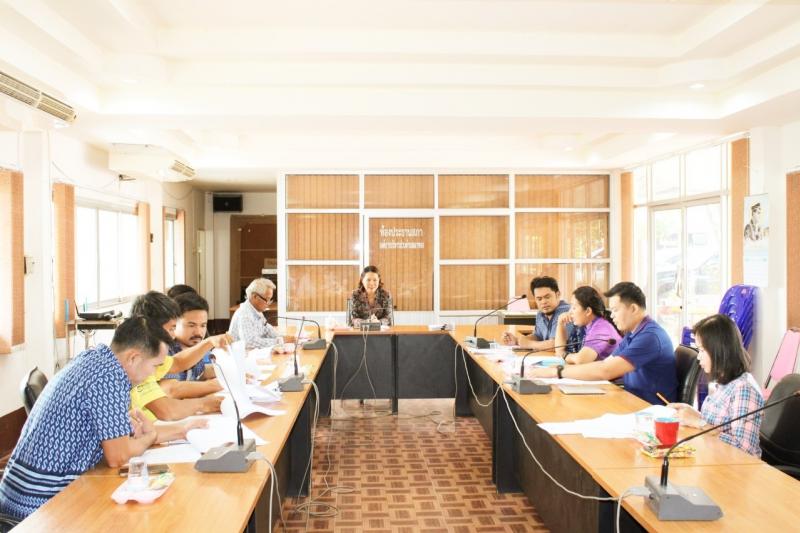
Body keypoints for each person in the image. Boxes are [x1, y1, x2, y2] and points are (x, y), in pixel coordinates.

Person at [0, 317, 205, 521]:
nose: (154, 373)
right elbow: (118, 456)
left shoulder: (96, 360)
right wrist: (147, 439)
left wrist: (184, 429)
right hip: (38, 507)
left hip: (19, 496)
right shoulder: (108, 379)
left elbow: (129, 437)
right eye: (155, 366)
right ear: (133, 358)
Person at [528, 281, 677, 404]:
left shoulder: (650, 337)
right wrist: (559, 369)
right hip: (631, 400)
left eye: (615, 310)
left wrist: (557, 372)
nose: (612, 316)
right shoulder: (633, 333)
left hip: (649, 409)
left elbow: (606, 371)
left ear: (633, 309)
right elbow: (605, 364)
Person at [668, 314, 765, 456]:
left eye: (702, 350)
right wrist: (694, 414)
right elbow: (721, 424)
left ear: (718, 351)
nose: (698, 357)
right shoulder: (724, 381)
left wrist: (699, 422)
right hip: (713, 457)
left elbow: (744, 450)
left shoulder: (744, 389)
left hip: (733, 467)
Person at [130, 291, 227, 420]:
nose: (173, 335)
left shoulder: (150, 353)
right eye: (171, 328)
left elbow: (178, 363)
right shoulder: (140, 361)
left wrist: (209, 342)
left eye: (203, 325)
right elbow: (168, 409)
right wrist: (204, 402)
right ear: (151, 328)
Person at [161, 291, 224, 399]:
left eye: (203, 325)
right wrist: (218, 384)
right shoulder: (164, 348)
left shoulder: (193, 348)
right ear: (174, 324)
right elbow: (171, 390)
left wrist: (233, 373)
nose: (198, 332)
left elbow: (201, 371)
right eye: (191, 325)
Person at [502, 276, 572, 350]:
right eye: (539, 299)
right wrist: (517, 341)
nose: (543, 302)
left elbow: (556, 345)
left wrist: (528, 344)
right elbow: (538, 336)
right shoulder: (540, 313)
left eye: (547, 297)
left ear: (558, 295)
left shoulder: (565, 312)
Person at [555, 286, 621, 364]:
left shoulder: (601, 329)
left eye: (574, 308)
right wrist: (560, 323)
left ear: (588, 311)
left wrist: (564, 355)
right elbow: (559, 350)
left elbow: (581, 360)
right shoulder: (585, 325)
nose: (570, 312)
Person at [229, 278, 282, 349]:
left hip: (252, 353)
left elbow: (267, 330)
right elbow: (249, 342)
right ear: (255, 296)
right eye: (267, 299)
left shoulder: (257, 311)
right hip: (242, 354)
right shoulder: (244, 314)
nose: (268, 303)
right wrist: (278, 341)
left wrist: (282, 338)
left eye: (270, 299)